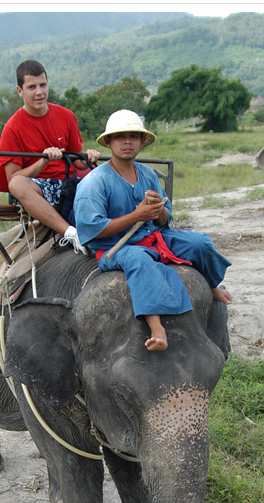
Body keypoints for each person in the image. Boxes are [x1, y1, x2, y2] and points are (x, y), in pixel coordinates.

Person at [74, 110, 232, 351]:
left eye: (133, 136)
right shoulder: (94, 182)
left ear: (142, 141)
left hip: (152, 237)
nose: (127, 142)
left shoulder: (148, 174)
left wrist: (157, 210)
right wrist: (136, 216)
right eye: (120, 137)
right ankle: (156, 327)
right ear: (108, 142)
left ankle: (210, 285)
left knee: (200, 243)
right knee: (138, 260)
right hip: (115, 246)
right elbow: (92, 231)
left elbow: (164, 220)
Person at [0, 60, 100, 239]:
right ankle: (69, 232)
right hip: (36, 187)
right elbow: (13, 178)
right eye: (31, 87)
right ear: (19, 90)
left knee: (110, 173)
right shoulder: (12, 128)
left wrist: (88, 158)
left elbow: (77, 161)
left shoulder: (66, 116)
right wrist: (43, 160)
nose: (39, 92)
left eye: (43, 85)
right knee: (16, 184)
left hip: (68, 183)